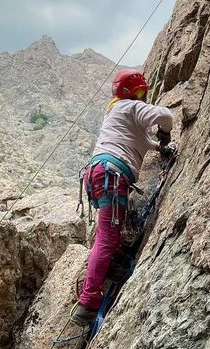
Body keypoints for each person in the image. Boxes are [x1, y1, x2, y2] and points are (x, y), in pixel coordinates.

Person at [70, 69, 174, 327]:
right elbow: (166, 115)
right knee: (106, 236)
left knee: (108, 232)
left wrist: (160, 145)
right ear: (138, 91)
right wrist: (166, 132)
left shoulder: (116, 111)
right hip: (111, 175)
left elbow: (140, 141)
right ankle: (88, 301)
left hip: (100, 174)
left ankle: (111, 264)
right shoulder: (131, 107)